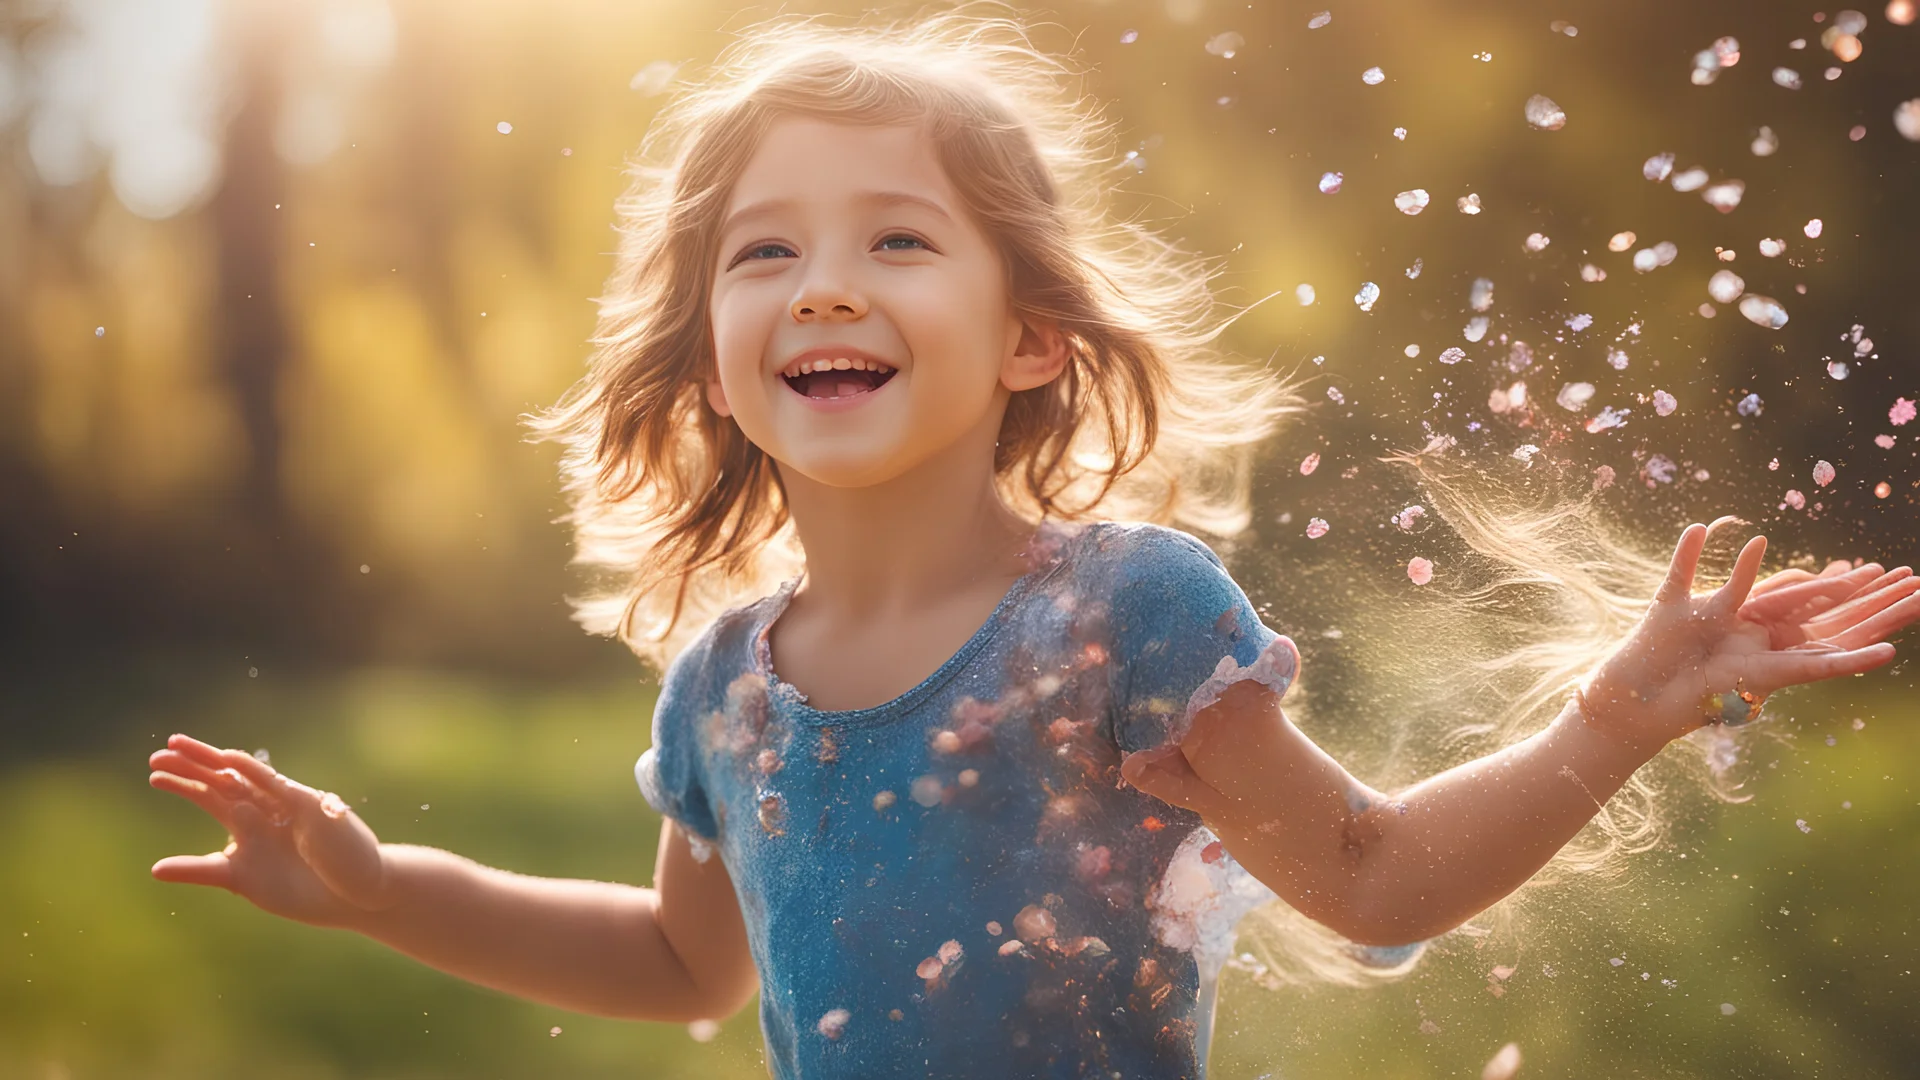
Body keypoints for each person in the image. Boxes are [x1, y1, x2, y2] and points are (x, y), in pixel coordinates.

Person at [145, 10, 1920, 1079]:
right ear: (709, 354)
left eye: (896, 238)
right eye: (762, 252)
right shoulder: (726, 693)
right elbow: (685, 969)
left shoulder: (1121, 615)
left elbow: (1375, 879)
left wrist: (1616, 711)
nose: (823, 277)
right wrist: (382, 891)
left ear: (1030, 338)